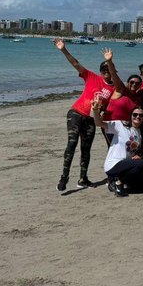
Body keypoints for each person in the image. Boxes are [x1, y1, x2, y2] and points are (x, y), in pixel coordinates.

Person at [53, 39, 116, 191]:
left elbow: (111, 108)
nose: (107, 73)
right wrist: (63, 49)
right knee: (72, 143)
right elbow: (75, 63)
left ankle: (83, 178)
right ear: (101, 72)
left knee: (86, 149)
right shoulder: (91, 77)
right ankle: (64, 176)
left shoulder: (114, 89)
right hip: (76, 113)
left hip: (91, 120)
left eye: (110, 70)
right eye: (104, 70)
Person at [91, 95, 143, 198]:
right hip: (113, 164)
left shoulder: (139, 133)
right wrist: (95, 110)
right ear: (131, 115)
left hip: (126, 164)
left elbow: (133, 151)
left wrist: (137, 156)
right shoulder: (121, 125)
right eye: (135, 114)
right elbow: (98, 123)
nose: (137, 117)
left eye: (141, 115)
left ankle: (116, 181)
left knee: (141, 170)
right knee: (142, 163)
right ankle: (118, 181)